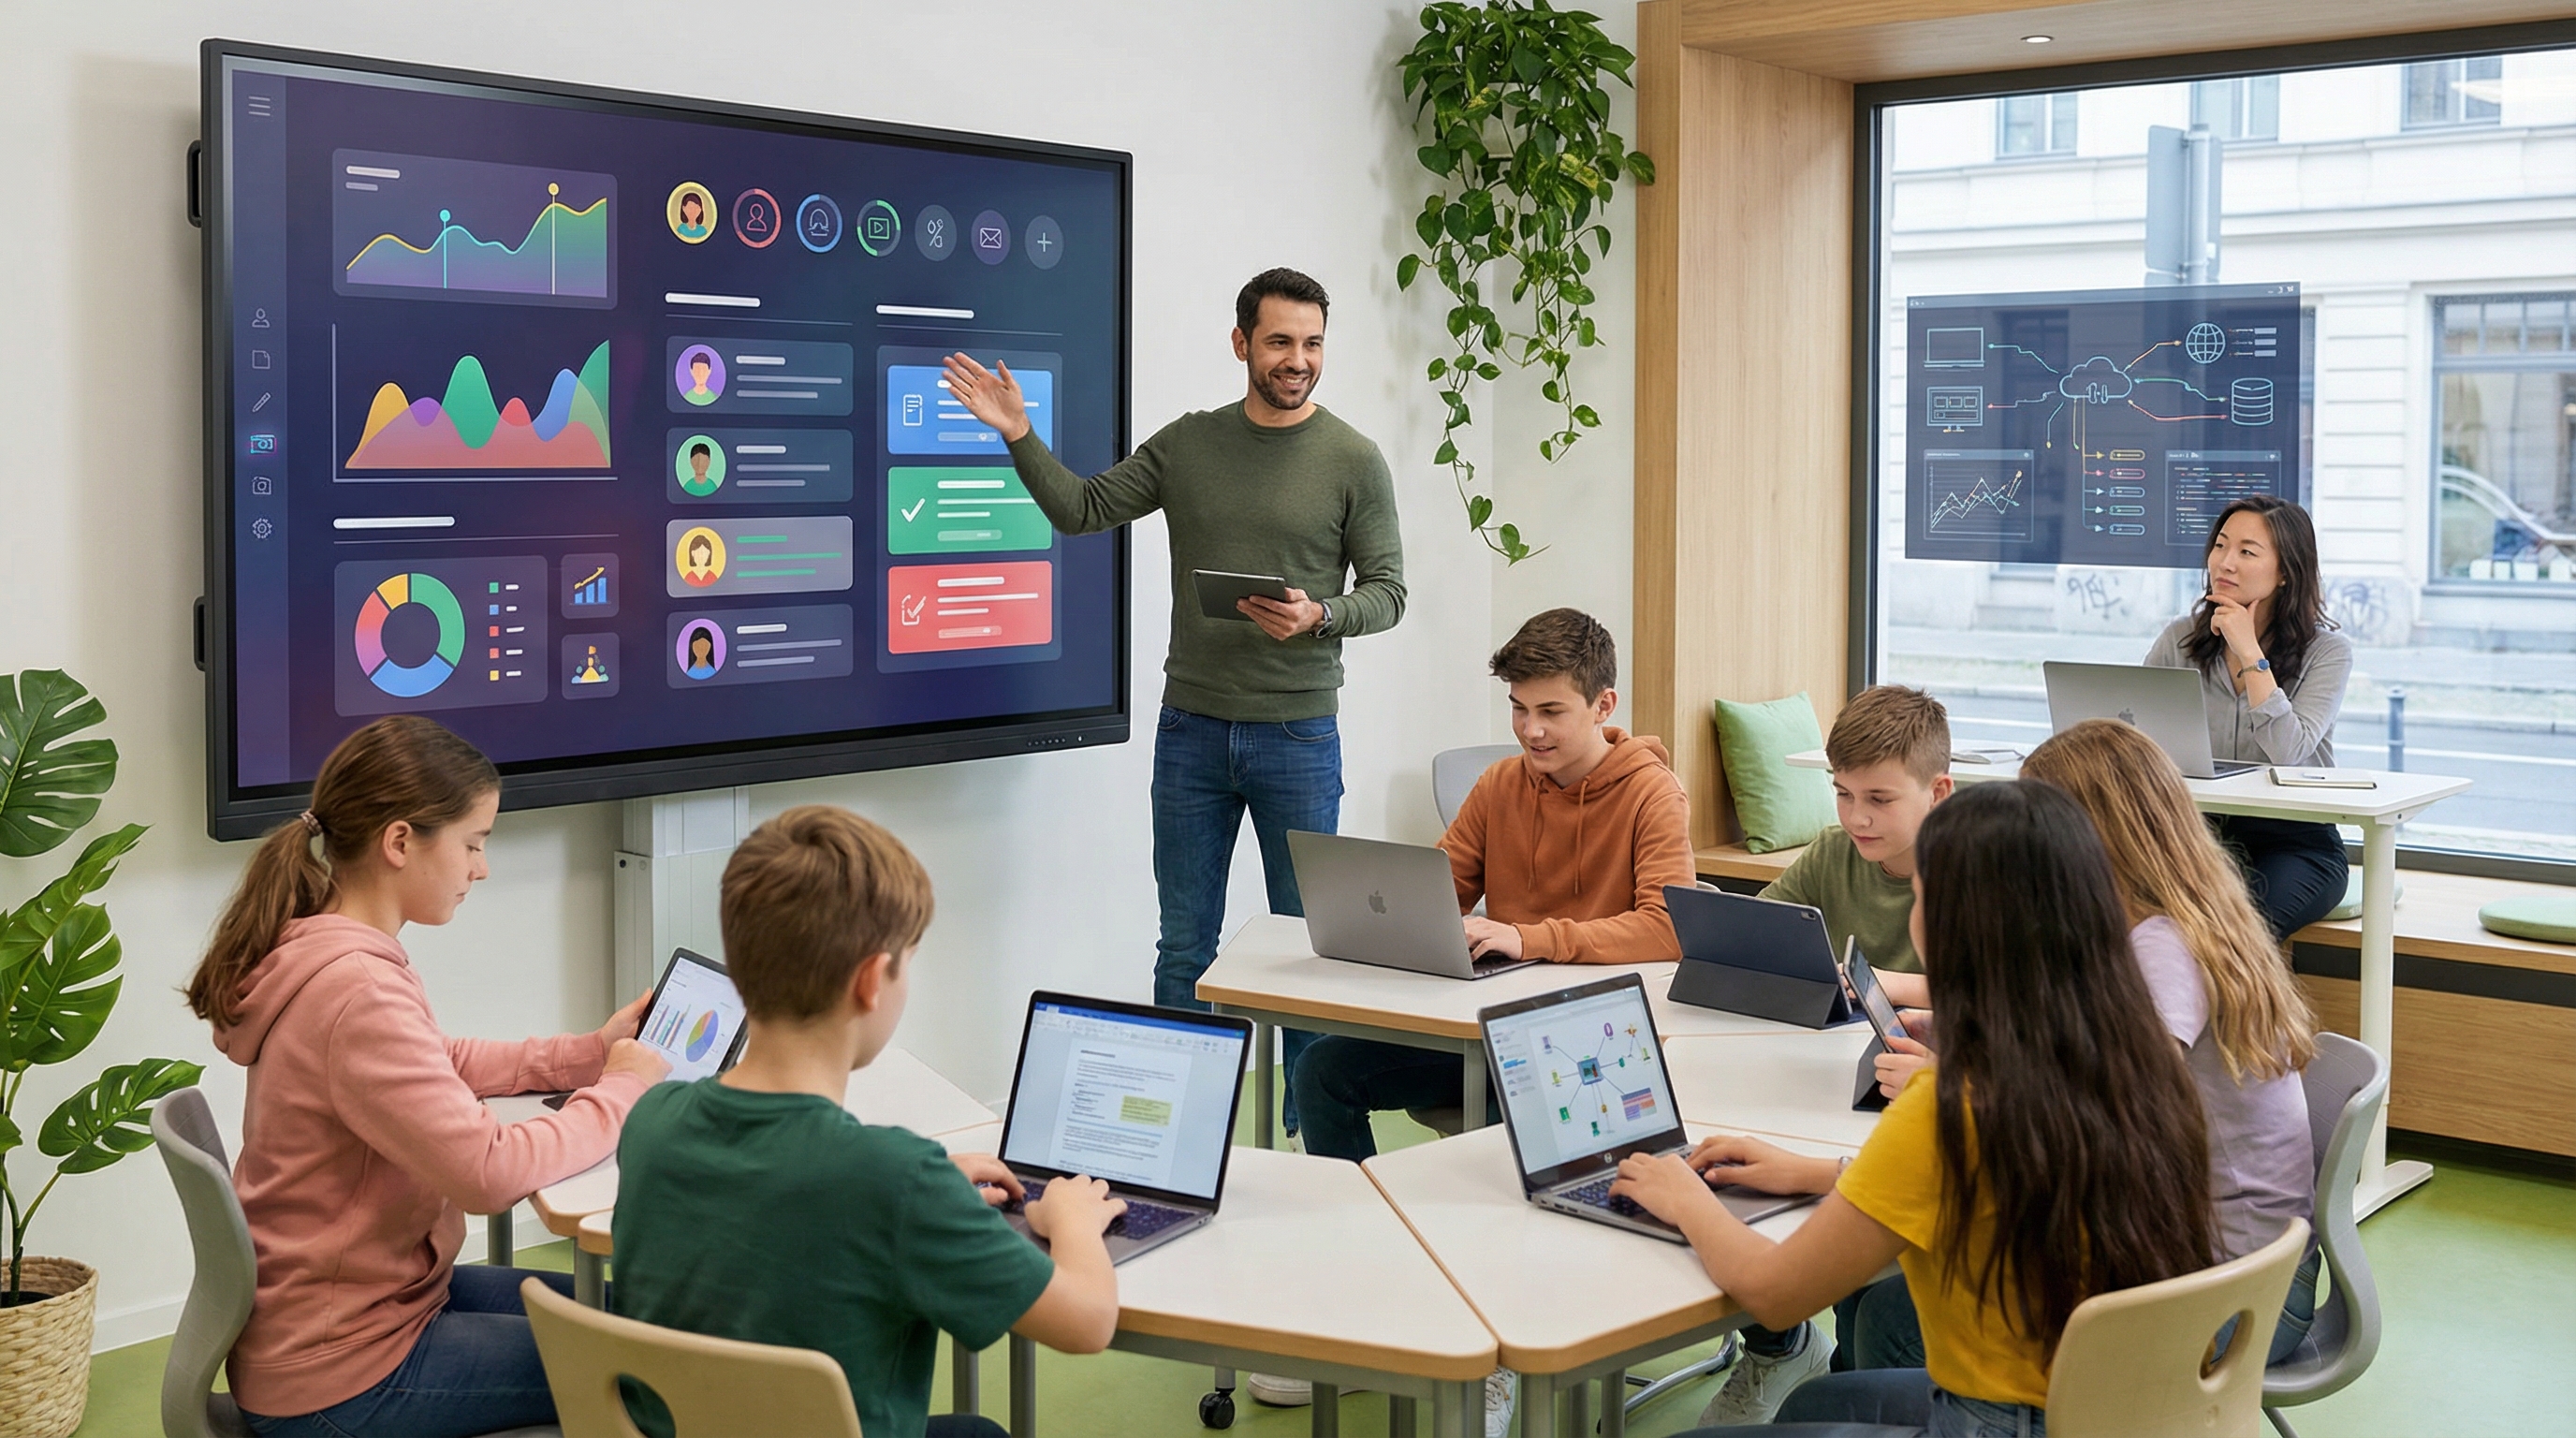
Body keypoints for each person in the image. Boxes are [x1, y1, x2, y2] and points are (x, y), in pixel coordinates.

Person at [938, 268, 1406, 1137]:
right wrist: (1020, 435)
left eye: (1311, 343)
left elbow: (1388, 592)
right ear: (1241, 343)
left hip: (1300, 736)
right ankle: (1177, 1135)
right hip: (1191, 731)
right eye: (1279, 341)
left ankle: (1315, 1136)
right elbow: (1081, 509)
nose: (1297, 359)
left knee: (1307, 947)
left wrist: (1320, 615)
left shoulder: (1353, 459)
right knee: (1184, 945)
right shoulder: (1190, 444)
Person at [1610, 782, 2218, 1438]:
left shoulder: (1950, 1103)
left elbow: (1773, 1293)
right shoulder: (2130, 1056)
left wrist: (1685, 1198)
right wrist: (1815, 1173)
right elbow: (1973, 1184)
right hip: (2132, 1408)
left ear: (1952, 924)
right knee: (1817, 1406)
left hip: (2006, 1421)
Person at [186, 716, 666, 1438]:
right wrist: (621, 1091)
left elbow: (439, 1061)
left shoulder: (325, 951)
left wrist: (592, 1054)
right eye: (473, 843)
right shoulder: (355, 989)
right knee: (657, 1366)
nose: (482, 868)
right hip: (343, 1373)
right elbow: (487, 1173)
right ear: (401, 842)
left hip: (367, 1313)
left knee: (645, 1320)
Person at [611, 805, 1123, 1438]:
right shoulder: (896, 1180)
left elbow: (787, 1204)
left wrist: (922, 1189)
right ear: (872, 981)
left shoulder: (653, 1121)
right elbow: (1087, 1323)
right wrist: (1072, 1221)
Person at [1294, 608, 1691, 1164]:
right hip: (1489, 1026)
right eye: (1519, 708)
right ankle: (1360, 1214)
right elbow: (1438, 893)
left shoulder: (1653, 794)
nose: (1531, 730)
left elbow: (1667, 928)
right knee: (1321, 1070)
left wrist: (1529, 939)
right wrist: (1376, 923)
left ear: (1604, 705)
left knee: (1505, 1116)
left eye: (1551, 711)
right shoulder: (1501, 783)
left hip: (1589, 1041)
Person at [1707, 684, 1953, 1421]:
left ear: (1939, 793)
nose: (1856, 817)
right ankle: (1818, 1369)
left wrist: (1892, 988)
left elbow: (1777, 1286)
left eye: (1878, 799)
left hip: (1899, 1111)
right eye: (1843, 795)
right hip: (1848, 1094)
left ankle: (1828, 1374)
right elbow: (1760, 937)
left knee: (1865, 1298)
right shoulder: (1834, 852)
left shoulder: (1976, 870)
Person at [2146, 494, 2353, 939]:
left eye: (2247, 552)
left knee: (2237, 936)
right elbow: (2136, 739)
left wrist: (2249, 653)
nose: (2225, 563)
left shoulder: (2328, 652)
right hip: (2195, 836)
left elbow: (2288, 751)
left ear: (2285, 572)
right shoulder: (2180, 638)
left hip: (2294, 841)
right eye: (2220, 546)